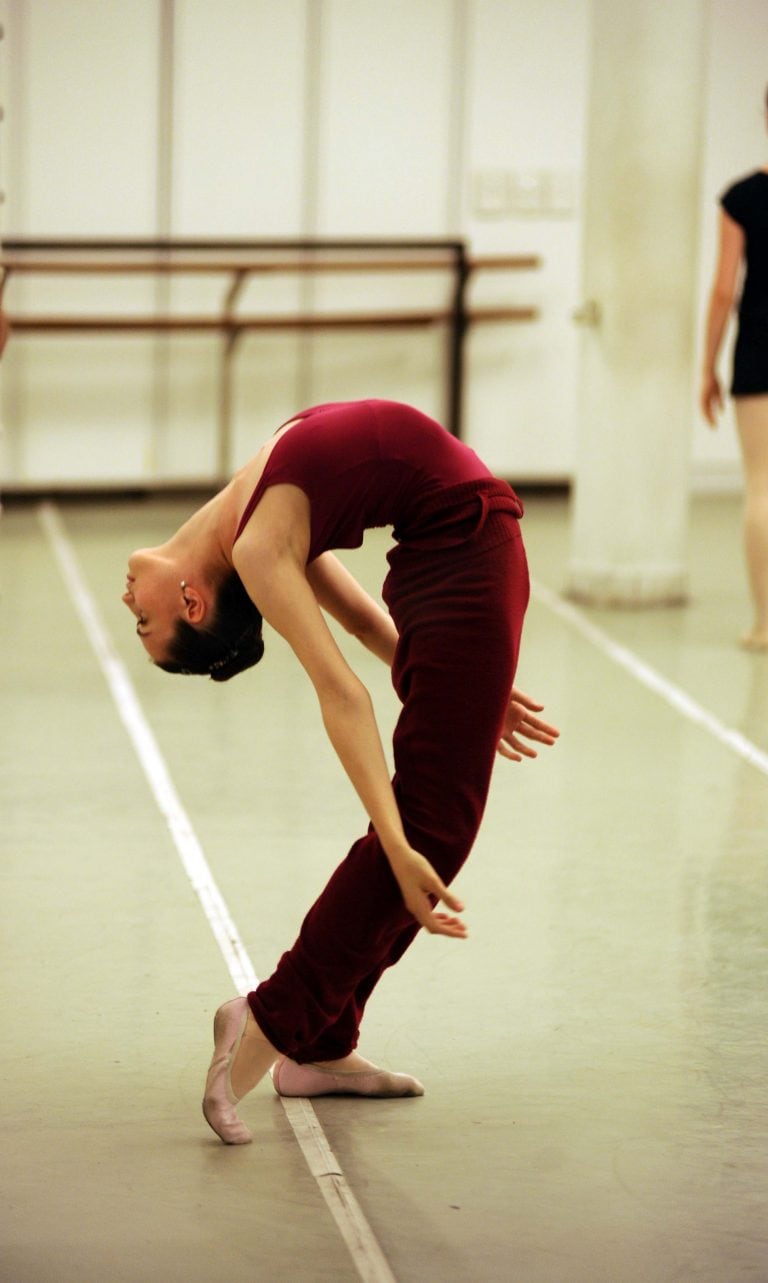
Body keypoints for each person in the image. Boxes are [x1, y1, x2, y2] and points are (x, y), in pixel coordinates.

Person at [122, 398, 558, 1144]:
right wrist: (393, 836)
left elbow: (359, 625)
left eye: (140, 624)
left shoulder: (252, 523)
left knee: (429, 831)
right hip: (464, 550)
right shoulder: (258, 535)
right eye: (142, 622)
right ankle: (276, 1018)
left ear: (193, 598)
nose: (131, 603)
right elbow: (342, 693)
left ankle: (310, 1034)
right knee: (429, 831)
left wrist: (443, 680)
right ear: (194, 602)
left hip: (463, 546)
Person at [700, 86, 768, 650]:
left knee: (761, 486)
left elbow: (725, 290)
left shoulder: (743, 197)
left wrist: (708, 367)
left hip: (760, 352)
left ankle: (766, 623)